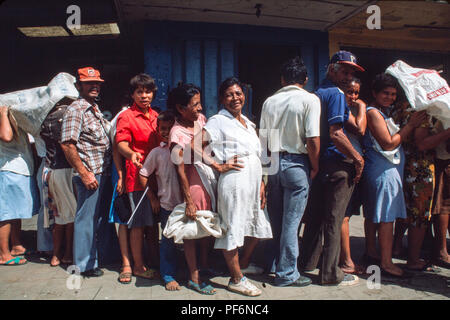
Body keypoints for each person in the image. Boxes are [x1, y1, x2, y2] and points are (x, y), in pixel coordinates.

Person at [198, 77, 272, 296]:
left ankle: (243, 264)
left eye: (238, 93)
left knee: (257, 225)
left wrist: (261, 182)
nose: (235, 98)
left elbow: (257, 156)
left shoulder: (248, 123)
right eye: (229, 94)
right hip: (235, 182)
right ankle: (236, 279)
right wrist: (218, 165)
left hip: (252, 180)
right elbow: (194, 145)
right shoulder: (217, 121)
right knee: (232, 227)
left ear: (244, 95)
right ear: (222, 99)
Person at [300, 50, 365, 286]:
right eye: (345, 70)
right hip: (338, 164)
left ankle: (307, 263)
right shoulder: (337, 94)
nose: (348, 76)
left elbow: (355, 127)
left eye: (352, 73)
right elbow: (336, 133)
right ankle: (330, 273)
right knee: (334, 219)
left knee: (317, 216)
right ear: (332, 68)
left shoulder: (318, 93)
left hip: (319, 163)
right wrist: (358, 158)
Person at [259, 57, 320, 287]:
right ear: (305, 79)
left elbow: (263, 141)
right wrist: (315, 165)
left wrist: (264, 176)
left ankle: (273, 264)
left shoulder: (269, 102)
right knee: (291, 223)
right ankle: (286, 274)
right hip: (297, 163)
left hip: (274, 163)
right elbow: (313, 139)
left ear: (283, 79)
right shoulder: (309, 99)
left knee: (277, 220)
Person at [361, 73, 427, 278]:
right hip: (383, 172)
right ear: (375, 93)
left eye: (393, 94)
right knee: (386, 218)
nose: (389, 97)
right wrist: (411, 125)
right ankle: (386, 263)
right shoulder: (373, 113)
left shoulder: (382, 112)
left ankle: (372, 252)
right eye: (385, 93)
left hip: (383, 170)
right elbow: (388, 143)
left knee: (375, 214)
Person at [60, 67, 117, 277]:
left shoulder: (94, 108)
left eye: (97, 83)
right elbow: (67, 144)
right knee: (86, 219)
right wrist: (84, 173)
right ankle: (84, 265)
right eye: (89, 83)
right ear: (78, 86)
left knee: (99, 218)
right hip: (90, 173)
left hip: (102, 172)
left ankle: (100, 256)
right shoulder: (76, 110)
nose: (94, 86)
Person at [167, 83, 217, 295]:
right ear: (180, 108)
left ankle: (204, 265)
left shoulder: (201, 121)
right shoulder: (176, 134)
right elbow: (180, 171)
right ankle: (194, 278)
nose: (199, 108)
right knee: (191, 230)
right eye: (194, 105)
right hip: (192, 185)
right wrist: (188, 200)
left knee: (205, 225)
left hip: (207, 182)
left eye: (199, 103)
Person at [390, 101, 450, 271]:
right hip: (420, 169)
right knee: (419, 214)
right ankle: (414, 259)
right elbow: (422, 143)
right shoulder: (422, 112)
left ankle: (397, 247)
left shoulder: (399, 107)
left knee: (405, 210)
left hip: (403, 162)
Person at [115, 73, 161, 280]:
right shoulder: (126, 117)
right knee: (138, 223)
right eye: (139, 92)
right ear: (132, 94)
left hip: (158, 178)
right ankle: (138, 266)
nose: (144, 95)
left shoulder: (157, 116)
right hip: (137, 177)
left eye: (148, 91)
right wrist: (131, 153)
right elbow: (120, 144)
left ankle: (154, 260)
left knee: (153, 223)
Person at [139, 111, 184, 291]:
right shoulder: (157, 153)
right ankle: (168, 275)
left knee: (189, 239)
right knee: (167, 240)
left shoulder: (183, 149)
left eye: (170, 128)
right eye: (162, 129)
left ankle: (193, 270)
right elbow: (143, 174)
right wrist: (152, 198)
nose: (166, 132)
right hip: (167, 204)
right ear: (157, 130)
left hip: (187, 203)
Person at [0, 105, 40, 265]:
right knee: (6, 214)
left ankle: (16, 245)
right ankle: (4, 254)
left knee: (15, 211)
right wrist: (3, 113)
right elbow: (6, 136)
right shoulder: (3, 120)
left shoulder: (17, 121)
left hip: (21, 169)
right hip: (8, 169)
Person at [40, 98, 77, 267]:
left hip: (52, 169)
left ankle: (57, 254)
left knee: (59, 215)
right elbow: (66, 145)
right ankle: (66, 253)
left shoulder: (47, 117)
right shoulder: (64, 115)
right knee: (68, 216)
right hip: (64, 171)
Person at [339, 77, 367, 274]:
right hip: (345, 164)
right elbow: (360, 128)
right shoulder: (341, 110)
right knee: (344, 215)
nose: (354, 97)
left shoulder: (349, 110)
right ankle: (347, 261)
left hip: (352, 165)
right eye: (350, 92)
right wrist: (363, 106)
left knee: (346, 214)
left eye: (357, 93)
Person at [431, 121, 450, 269]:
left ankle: (441, 249)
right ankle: (441, 250)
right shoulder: (444, 109)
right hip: (444, 160)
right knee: (443, 206)